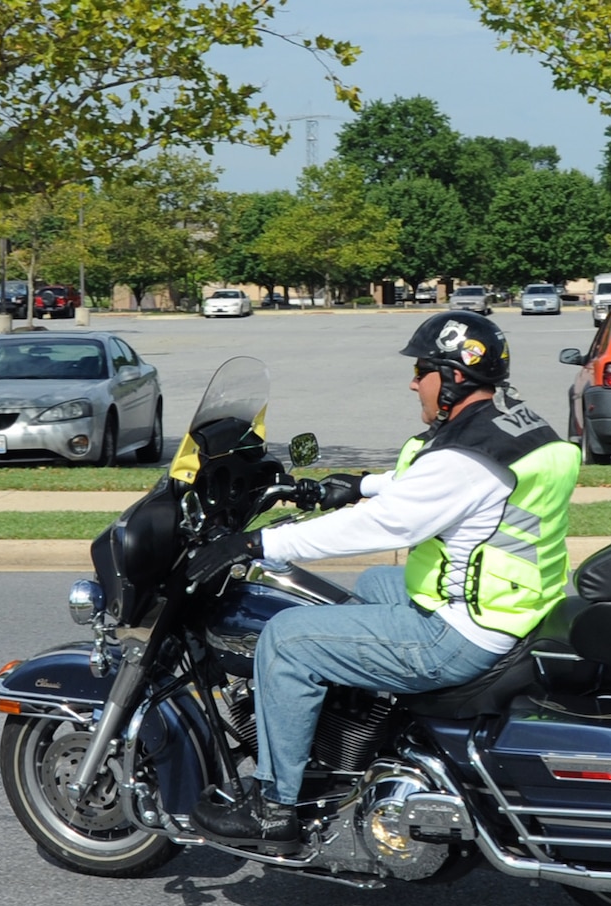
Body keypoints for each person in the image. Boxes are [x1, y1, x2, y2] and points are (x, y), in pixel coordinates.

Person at [184, 311, 581, 851]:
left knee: (287, 639)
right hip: (513, 601)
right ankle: (357, 729)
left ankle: (276, 804)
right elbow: (437, 486)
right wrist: (356, 485)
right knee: (373, 583)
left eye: (423, 370)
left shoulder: (465, 456)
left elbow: (393, 521)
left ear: (454, 377)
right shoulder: (508, 422)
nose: (413, 381)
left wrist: (258, 544)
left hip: (466, 629)